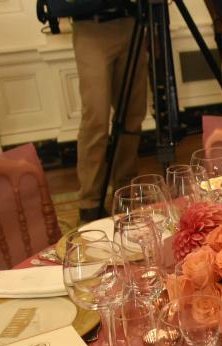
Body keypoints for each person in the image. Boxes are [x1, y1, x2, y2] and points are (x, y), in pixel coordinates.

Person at [71, 1, 148, 223]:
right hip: (90, 27)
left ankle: (125, 189)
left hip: (131, 22)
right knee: (96, 117)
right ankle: (90, 201)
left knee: (132, 114)